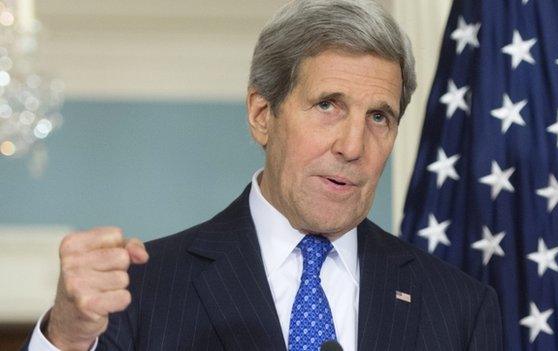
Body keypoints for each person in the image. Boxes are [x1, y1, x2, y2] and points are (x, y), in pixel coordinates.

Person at [24, 0, 502, 350]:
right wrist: (66, 335)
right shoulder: (142, 290)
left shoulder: (459, 308)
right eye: (328, 106)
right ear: (261, 114)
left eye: (379, 116)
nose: (353, 147)